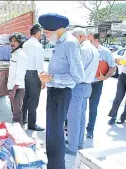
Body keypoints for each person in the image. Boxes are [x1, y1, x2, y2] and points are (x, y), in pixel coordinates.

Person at [38, 13, 85, 169]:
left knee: (56, 133)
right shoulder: (59, 43)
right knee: (51, 131)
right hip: (54, 91)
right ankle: (52, 163)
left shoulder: (70, 43)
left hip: (62, 92)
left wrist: (50, 78)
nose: (44, 34)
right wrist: (47, 78)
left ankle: (57, 166)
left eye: (46, 31)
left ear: (56, 29)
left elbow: (78, 76)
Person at [65, 28, 99, 155]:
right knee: (81, 117)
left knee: (73, 118)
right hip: (87, 86)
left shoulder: (83, 49)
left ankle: (73, 147)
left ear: (80, 36)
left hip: (79, 86)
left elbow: (77, 71)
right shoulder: (93, 49)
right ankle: (79, 143)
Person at [86, 33, 117, 138]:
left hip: (96, 83)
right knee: (79, 107)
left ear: (97, 41)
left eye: (91, 41)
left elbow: (113, 67)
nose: (89, 43)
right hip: (84, 83)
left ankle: (90, 129)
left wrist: (105, 77)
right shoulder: (85, 50)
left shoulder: (106, 52)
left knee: (93, 107)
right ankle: (73, 127)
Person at [22, 24, 45, 131]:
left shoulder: (26, 44)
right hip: (34, 73)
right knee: (34, 100)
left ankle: (23, 119)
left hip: (26, 73)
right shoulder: (38, 45)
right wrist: (42, 78)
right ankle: (32, 123)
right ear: (38, 33)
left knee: (26, 97)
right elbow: (39, 64)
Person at [7, 33, 27, 125]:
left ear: (20, 42)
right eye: (11, 41)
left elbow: (20, 74)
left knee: (17, 114)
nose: (12, 43)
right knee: (14, 111)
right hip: (12, 87)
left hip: (17, 88)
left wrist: (14, 90)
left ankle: (19, 134)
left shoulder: (21, 55)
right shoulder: (14, 54)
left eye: (15, 41)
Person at [108, 51, 126, 125]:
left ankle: (123, 117)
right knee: (118, 97)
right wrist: (118, 61)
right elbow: (123, 60)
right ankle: (113, 116)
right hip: (123, 76)